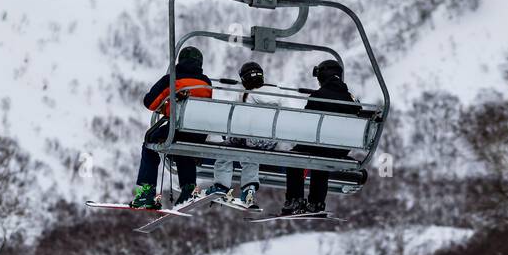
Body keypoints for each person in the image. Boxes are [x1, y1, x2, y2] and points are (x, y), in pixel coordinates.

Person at [130, 47, 213, 208]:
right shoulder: (206, 83)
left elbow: (150, 102)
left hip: (177, 129)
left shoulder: (173, 79)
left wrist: (166, 107)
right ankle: (188, 188)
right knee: (184, 149)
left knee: (150, 143)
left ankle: (147, 191)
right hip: (198, 132)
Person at [280, 59, 363, 216]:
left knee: (294, 158)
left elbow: (307, 124)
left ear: (324, 75)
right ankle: (316, 203)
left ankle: (295, 200)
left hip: (320, 145)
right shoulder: (351, 99)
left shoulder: (319, 96)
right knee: (321, 162)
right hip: (340, 149)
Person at [207, 60, 278, 209]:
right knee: (251, 155)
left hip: (248, 136)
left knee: (226, 150)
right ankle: (249, 189)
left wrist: (227, 136)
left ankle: (221, 186)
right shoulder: (275, 93)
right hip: (269, 141)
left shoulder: (246, 95)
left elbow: (239, 121)